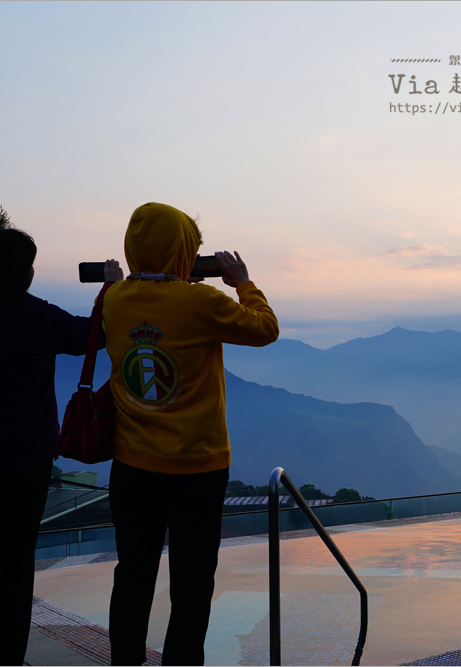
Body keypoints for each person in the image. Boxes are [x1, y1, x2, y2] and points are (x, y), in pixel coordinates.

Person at [103, 202, 279, 665]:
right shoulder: (202, 302)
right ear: (182, 252)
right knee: (193, 581)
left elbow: (139, 299)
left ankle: (125, 660)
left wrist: (121, 279)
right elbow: (266, 329)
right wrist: (241, 282)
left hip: (131, 465)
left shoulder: (114, 298)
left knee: (133, 574)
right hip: (196, 468)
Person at [0, 227, 122, 665]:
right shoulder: (36, 317)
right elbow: (95, 335)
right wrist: (114, 292)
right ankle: (3, 656)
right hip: (23, 464)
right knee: (12, 566)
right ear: (16, 272)